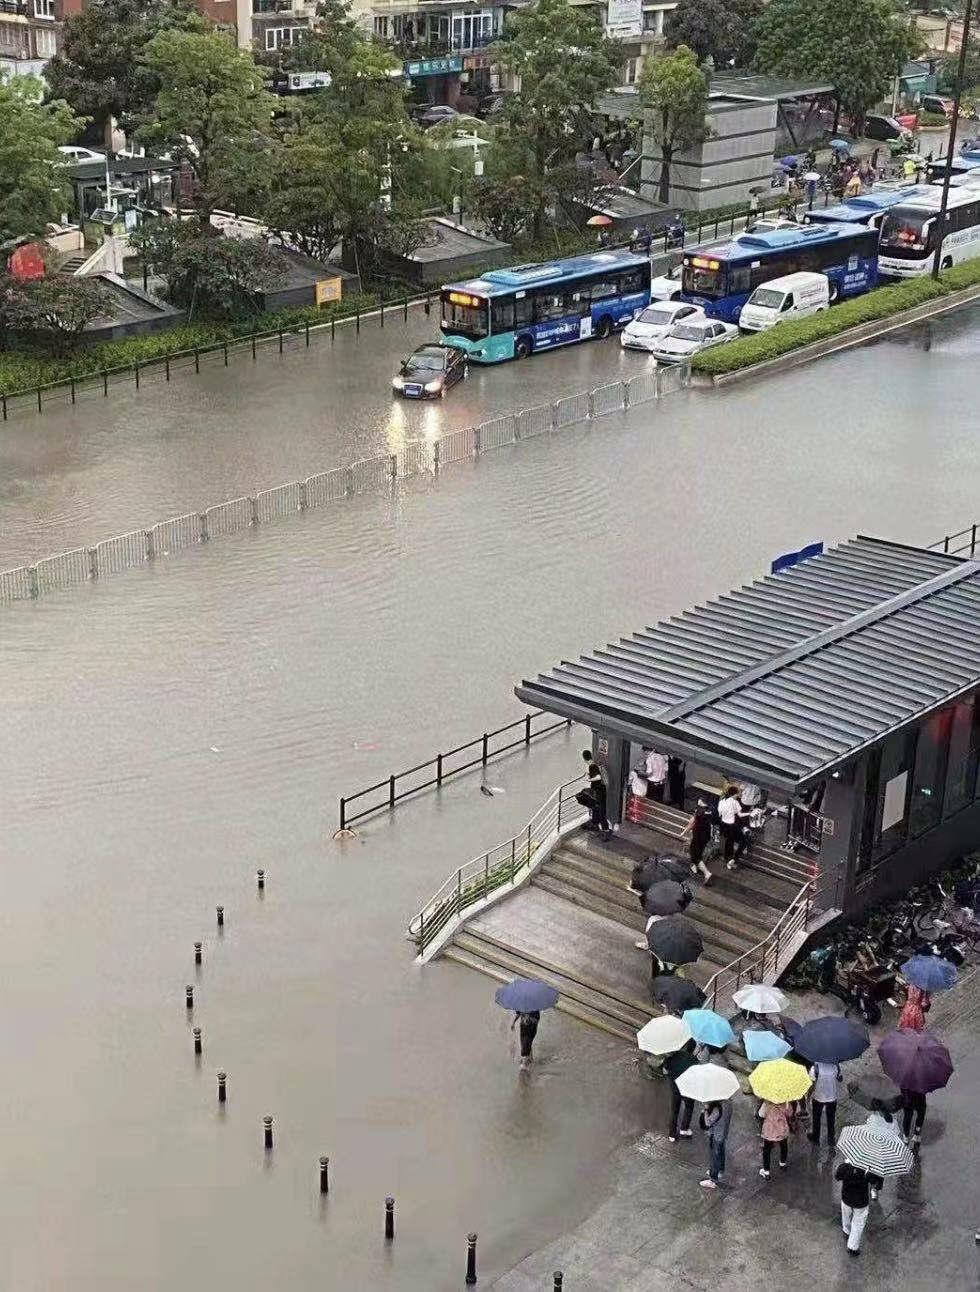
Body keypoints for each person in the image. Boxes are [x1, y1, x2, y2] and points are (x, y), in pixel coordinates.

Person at [835, 1161, 883, 1256]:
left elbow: (837, 1176)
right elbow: (876, 1182)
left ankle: (846, 1231)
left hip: (846, 1198)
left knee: (846, 1216)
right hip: (861, 1202)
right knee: (858, 1224)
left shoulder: (845, 1166)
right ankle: (852, 1247)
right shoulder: (869, 1170)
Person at [664, 1040, 697, 1142]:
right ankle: (684, 1128)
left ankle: (672, 1134)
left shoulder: (672, 1058)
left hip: (675, 1089)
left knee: (674, 1111)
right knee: (689, 1107)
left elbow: (665, 1071)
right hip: (688, 1090)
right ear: (693, 1049)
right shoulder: (694, 1060)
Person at [700, 1098, 733, 1189]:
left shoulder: (717, 1108)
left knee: (715, 1155)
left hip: (716, 1134)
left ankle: (713, 1178)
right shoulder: (728, 1103)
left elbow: (708, 1123)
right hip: (723, 1133)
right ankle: (720, 1170)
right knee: (721, 1151)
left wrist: (706, 1110)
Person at [808, 1061, 841, 1146]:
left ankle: (816, 1137)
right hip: (832, 1097)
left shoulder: (814, 1068)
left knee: (816, 1119)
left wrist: (808, 1096)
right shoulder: (835, 1066)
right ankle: (831, 1139)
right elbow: (840, 1078)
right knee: (831, 1119)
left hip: (818, 1097)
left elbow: (812, 1084)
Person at [581, 749, 611, 840]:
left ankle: (606, 831)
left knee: (601, 811)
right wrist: (589, 775)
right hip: (599, 791)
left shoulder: (592, 766)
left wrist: (588, 780)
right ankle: (595, 823)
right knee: (595, 808)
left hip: (599, 792)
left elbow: (598, 777)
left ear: (584, 759)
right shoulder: (594, 765)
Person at [682, 800, 713, 885]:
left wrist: (683, 832)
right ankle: (695, 867)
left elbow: (691, 823)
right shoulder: (709, 811)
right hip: (705, 837)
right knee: (698, 853)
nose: (698, 801)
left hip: (698, 836)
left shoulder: (699, 811)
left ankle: (707, 873)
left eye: (700, 800)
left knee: (694, 855)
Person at [759, 1100, 791, 1177]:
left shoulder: (766, 1103)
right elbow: (789, 1113)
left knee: (767, 1150)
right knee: (784, 1146)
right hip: (782, 1129)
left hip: (769, 1131)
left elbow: (761, 1114)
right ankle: (782, 1163)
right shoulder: (785, 1102)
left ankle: (766, 1171)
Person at [717, 786, 746, 870]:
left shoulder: (723, 801)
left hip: (724, 824)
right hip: (732, 825)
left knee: (729, 840)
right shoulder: (735, 802)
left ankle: (728, 858)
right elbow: (740, 815)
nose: (740, 793)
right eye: (739, 792)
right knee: (743, 841)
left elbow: (720, 813)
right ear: (735, 794)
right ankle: (733, 860)